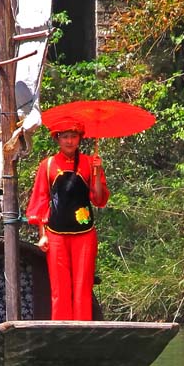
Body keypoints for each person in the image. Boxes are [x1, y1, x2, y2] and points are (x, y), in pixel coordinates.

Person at [26, 117, 109, 321]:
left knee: (83, 285)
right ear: (58, 139)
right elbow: (41, 200)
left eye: (73, 137)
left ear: (80, 139)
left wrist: (97, 174)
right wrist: (42, 235)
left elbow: (98, 199)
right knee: (59, 287)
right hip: (55, 234)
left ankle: (83, 328)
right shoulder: (48, 165)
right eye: (65, 137)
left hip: (84, 233)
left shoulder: (90, 163)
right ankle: (61, 328)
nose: (69, 141)